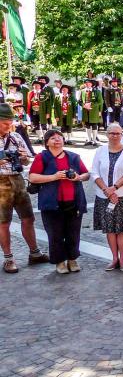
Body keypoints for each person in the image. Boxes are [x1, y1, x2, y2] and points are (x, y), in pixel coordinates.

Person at [28, 129, 90, 274]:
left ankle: (73, 259)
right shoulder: (42, 157)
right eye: (53, 138)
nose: (57, 140)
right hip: (51, 203)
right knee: (55, 234)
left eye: (59, 137)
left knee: (73, 233)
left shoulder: (73, 157)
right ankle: (60, 262)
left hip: (73, 202)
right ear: (47, 142)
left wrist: (78, 177)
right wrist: (54, 176)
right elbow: (33, 177)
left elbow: (86, 174)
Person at [0, 103, 49, 273]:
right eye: (5, 123)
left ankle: (34, 253)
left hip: (18, 180)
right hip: (0, 182)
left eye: (10, 122)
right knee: (3, 222)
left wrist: (22, 158)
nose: (9, 126)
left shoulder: (15, 137)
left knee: (28, 218)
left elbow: (27, 160)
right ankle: (8, 258)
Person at [91, 122, 123, 272]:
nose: (114, 136)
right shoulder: (100, 150)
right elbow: (94, 172)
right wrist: (107, 190)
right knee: (110, 229)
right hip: (104, 196)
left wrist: (114, 188)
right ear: (107, 135)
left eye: (118, 133)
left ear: (122, 135)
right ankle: (114, 259)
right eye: (111, 133)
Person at [79, 78, 104, 146]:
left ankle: (94, 140)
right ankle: (89, 139)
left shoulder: (97, 91)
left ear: (92, 84)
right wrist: (84, 105)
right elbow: (79, 101)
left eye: (89, 83)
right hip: (85, 111)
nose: (87, 84)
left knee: (94, 125)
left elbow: (100, 101)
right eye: (86, 83)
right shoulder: (82, 91)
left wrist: (91, 105)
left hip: (94, 111)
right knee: (87, 125)